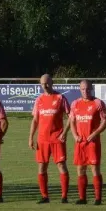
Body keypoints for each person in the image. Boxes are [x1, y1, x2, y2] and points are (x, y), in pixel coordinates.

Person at [29, 74, 71, 204]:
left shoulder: (60, 98)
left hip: (57, 138)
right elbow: (35, 120)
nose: (45, 86)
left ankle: (64, 196)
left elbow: (70, 116)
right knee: (42, 167)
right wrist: (31, 137)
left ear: (52, 83)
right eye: (42, 84)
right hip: (42, 139)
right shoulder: (39, 100)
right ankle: (44, 196)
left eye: (47, 83)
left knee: (61, 165)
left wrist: (64, 132)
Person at [69, 80, 106, 205]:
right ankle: (82, 198)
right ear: (79, 89)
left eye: (87, 89)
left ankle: (98, 198)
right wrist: (74, 135)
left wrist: (95, 134)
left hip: (92, 142)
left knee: (94, 170)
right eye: (82, 89)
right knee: (80, 170)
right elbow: (71, 121)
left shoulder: (98, 103)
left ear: (91, 89)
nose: (85, 91)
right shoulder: (75, 104)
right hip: (80, 143)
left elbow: (105, 121)